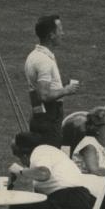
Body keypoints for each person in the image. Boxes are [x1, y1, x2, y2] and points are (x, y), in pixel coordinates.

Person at [25, 15, 80, 147]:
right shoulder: (44, 61)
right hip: (49, 116)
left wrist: (60, 87)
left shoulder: (34, 56)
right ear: (51, 35)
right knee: (51, 153)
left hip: (39, 114)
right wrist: (66, 90)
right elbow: (44, 95)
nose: (63, 33)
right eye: (59, 30)